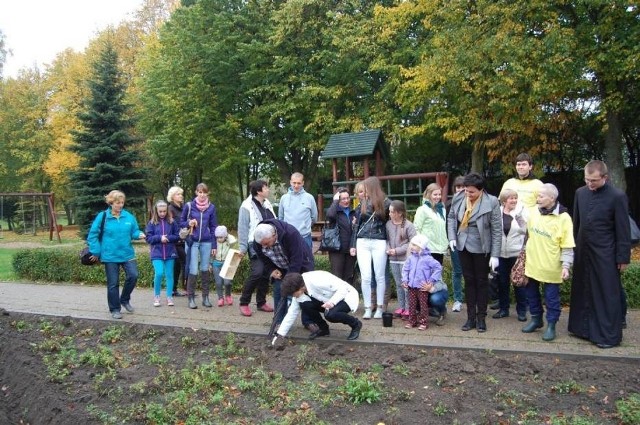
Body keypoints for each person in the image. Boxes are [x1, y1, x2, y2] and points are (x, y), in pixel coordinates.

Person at [569, 160, 631, 348]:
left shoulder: (617, 196)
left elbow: (623, 228)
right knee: (582, 288)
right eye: (587, 179)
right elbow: (577, 223)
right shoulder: (580, 193)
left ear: (605, 177)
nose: (590, 184)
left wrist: (622, 257)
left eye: (594, 181)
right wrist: (573, 248)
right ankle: (582, 329)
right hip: (583, 250)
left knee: (605, 293)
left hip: (605, 252)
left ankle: (606, 335)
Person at [447, 173, 501, 333]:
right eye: (466, 191)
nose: (468, 195)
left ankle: (481, 318)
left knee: (481, 282)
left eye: (471, 192)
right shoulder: (459, 197)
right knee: (469, 281)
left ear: (481, 190)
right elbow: (451, 217)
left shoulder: (491, 201)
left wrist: (495, 254)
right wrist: (451, 237)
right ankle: (470, 318)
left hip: (481, 245)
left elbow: (496, 229)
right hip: (462, 244)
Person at [521, 183, 575, 342]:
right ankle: (536, 319)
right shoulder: (533, 213)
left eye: (541, 196)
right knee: (531, 295)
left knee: (551, 298)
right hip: (533, 264)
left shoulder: (564, 218)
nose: (537, 199)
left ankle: (551, 325)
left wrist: (566, 266)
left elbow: (567, 245)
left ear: (552, 198)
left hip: (551, 267)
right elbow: (527, 236)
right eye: (537, 196)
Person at [87, 190, 146, 319]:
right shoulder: (103, 217)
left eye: (122, 203)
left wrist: (139, 235)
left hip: (127, 254)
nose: (120, 205)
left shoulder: (129, 216)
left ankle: (124, 299)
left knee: (133, 275)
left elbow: (134, 231)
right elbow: (92, 235)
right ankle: (114, 309)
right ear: (111, 203)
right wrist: (96, 251)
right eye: (117, 203)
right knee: (113, 283)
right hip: (110, 255)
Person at [253, 219, 315, 328]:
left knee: (305, 291)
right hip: (280, 266)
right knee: (278, 290)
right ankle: (279, 321)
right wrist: (271, 270)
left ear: (274, 234)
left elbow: (297, 259)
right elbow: (263, 259)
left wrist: (289, 281)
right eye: (263, 245)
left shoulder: (290, 234)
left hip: (301, 264)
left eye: (267, 244)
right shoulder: (258, 242)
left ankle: (308, 321)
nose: (265, 247)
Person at [271, 271, 363, 343]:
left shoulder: (317, 279)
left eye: (293, 294)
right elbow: (291, 314)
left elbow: (343, 289)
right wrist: (280, 335)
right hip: (326, 301)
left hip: (346, 296)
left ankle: (356, 324)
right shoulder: (299, 291)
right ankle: (323, 329)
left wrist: (332, 302)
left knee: (331, 315)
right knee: (305, 305)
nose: (293, 296)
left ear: (300, 288)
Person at [350, 176, 391, 320]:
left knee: (380, 276)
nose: (364, 191)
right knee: (366, 277)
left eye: (366, 187)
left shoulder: (386, 203)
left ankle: (380, 307)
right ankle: (368, 307)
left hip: (379, 240)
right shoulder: (361, 203)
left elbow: (391, 223)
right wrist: (352, 245)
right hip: (363, 241)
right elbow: (356, 226)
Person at [237, 180, 276, 316]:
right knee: (257, 272)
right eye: (266, 188)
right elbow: (242, 228)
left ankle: (261, 302)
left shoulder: (267, 204)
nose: (268, 190)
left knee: (266, 273)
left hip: (269, 243)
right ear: (258, 191)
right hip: (254, 244)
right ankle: (243, 302)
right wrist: (242, 247)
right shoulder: (246, 206)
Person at [180, 183, 218, 309]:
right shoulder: (189, 206)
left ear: (207, 193)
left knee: (205, 269)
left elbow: (213, 227)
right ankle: (191, 298)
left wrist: (214, 244)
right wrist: (188, 222)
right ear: (196, 192)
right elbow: (180, 222)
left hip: (206, 242)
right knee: (193, 269)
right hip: (193, 242)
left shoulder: (211, 207)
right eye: (199, 192)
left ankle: (205, 297)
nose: (202, 195)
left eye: (204, 192)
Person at [493, 189, 528, 321]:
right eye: (511, 198)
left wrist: (518, 218)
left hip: (516, 253)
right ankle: (503, 309)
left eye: (515, 198)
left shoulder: (521, 212)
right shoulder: (497, 213)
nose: (514, 200)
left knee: (518, 283)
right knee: (502, 283)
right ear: (504, 200)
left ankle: (522, 311)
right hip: (501, 253)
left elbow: (526, 231)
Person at [402, 235, 445, 330]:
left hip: (422, 286)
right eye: (412, 244)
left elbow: (438, 267)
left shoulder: (428, 259)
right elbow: (405, 269)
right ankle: (412, 321)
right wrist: (405, 280)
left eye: (415, 245)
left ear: (421, 246)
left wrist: (431, 280)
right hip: (411, 286)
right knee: (412, 304)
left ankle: (424, 322)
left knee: (423, 305)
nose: (412, 246)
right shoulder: (411, 258)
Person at [145, 200, 180, 307]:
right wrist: (160, 238)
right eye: (160, 211)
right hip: (157, 253)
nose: (162, 213)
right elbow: (148, 238)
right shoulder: (151, 223)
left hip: (170, 253)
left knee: (169, 275)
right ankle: (157, 296)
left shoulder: (172, 222)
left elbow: (177, 236)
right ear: (156, 211)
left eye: (164, 211)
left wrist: (168, 238)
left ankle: (169, 296)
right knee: (159, 273)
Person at [386, 200, 417, 320]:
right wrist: (388, 249)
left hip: (405, 259)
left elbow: (412, 242)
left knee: (406, 285)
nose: (389, 214)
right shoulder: (388, 224)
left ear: (399, 213)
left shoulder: (409, 225)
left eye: (392, 212)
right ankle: (401, 307)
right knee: (399, 284)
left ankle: (409, 309)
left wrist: (397, 250)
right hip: (393, 259)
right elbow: (387, 240)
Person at [325, 187, 358, 283]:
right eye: (343, 199)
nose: (346, 201)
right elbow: (330, 215)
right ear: (338, 199)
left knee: (348, 277)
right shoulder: (335, 211)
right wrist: (335, 202)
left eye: (348, 198)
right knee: (337, 277)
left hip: (350, 249)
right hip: (337, 249)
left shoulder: (353, 212)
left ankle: (348, 297)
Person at [277, 172, 318, 248]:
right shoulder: (284, 198)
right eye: (294, 183)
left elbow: (314, 218)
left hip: (305, 237)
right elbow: (281, 218)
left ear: (303, 183)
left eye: (299, 183)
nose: (296, 186)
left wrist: (305, 226)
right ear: (290, 182)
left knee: (306, 260)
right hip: (288, 237)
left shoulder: (309, 198)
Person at [414, 183, 448, 264]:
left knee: (437, 274)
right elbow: (416, 228)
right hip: (428, 249)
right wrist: (420, 245)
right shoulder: (422, 209)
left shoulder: (442, 209)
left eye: (439, 194)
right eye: (435, 194)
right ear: (429, 195)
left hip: (440, 249)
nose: (438, 197)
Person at [446, 176, 465, 312]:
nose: (461, 189)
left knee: (471, 273)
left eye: (463, 186)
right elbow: (447, 224)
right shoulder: (449, 204)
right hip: (455, 242)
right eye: (458, 187)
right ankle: (458, 299)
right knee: (457, 272)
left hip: (470, 243)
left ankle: (472, 299)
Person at [167, 186, 187, 297]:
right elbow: (170, 225)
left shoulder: (184, 208)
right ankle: (181, 288)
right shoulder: (170, 209)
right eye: (178, 194)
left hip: (185, 240)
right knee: (182, 263)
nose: (181, 196)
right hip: (175, 242)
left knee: (179, 265)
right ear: (172, 197)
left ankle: (177, 289)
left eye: (181, 194)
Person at [210, 225, 237, 307]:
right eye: (217, 237)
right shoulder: (214, 242)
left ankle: (228, 295)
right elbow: (210, 254)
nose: (219, 239)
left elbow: (235, 243)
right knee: (218, 282)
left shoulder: (229, 240)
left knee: (227, 282)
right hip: (216, 263)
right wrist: (210, 264)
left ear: (225, 236)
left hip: (227, 263)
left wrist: (228, 238)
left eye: (221, 237)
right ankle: (220, 298)